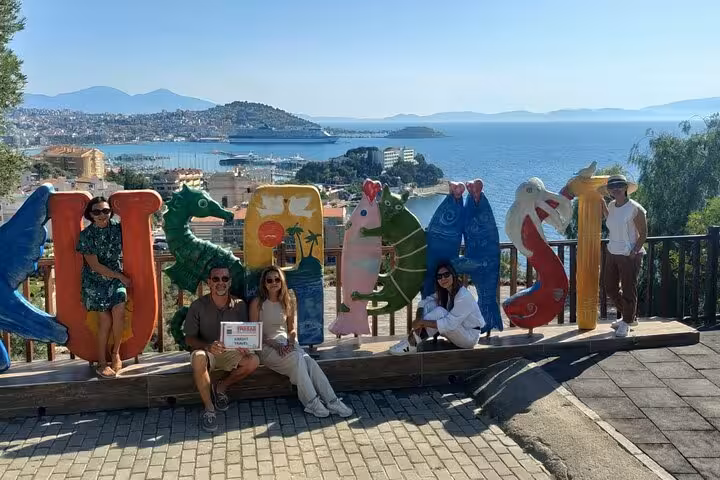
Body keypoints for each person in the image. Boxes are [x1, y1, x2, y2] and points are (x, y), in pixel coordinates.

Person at [249, 266, 353, 418]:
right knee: (299, 359)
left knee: (309, 362)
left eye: (277, 279)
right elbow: (254, 333)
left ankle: (332, 401)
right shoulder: (257, 303)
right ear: (264, 283)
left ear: (282, 281)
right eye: (269, 280)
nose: (273, 283)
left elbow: (291, 329)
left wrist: (290, 343)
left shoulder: (286, 301)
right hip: (266, 346)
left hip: (286, 344)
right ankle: (311, 402)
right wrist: (276, 345)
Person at [184, 266, 260, 432]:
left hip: (230, 352)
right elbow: (188, 338)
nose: (220, 282)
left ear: (230, 282)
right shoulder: (198, 305)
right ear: (209, 282)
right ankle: (210, 409)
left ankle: (221, 387)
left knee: (253, 361)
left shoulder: (240, 305)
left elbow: (245, 332)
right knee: (198, 357)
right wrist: (207, 346)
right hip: (207, 352)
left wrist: (245, 346)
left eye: (225, 279)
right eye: (216, 279)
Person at [76, 196, 131, 379]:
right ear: (90, 215)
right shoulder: (86, 235)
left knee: (120, 311)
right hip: (95, 281)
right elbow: (95, 266)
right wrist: (121, 276)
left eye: (106, 211)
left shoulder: (118, 228)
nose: (102, 215)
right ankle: (101, 362)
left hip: (115, 279)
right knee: (105, 321)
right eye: (97, 211)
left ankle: (115, 353)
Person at [389, 263, 485, 355]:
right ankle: (412, 339)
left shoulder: (463, 296)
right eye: (439, 277)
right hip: (458, 331)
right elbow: (423, 303)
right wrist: (419, 319)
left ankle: (412, 343)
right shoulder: (446, 292)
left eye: (446, 274)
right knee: (430, 305)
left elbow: (449, 323)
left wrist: (422, 322)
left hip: (469, 337)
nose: (443, 278)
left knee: (440, 312)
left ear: (453, 275)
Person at [600, 174, 648, 338]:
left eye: (619, 186)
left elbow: (643, 234)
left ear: (626, 188)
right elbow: (612, 220)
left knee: (628, 289)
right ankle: (629, 316)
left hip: (628, 254)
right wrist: (601, 204)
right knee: (610, 287)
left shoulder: (635, 209)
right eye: (612, 187)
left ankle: (626, 321)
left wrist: (634, 252)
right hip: (612, 251)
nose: (615, 189)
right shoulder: (612, 206)